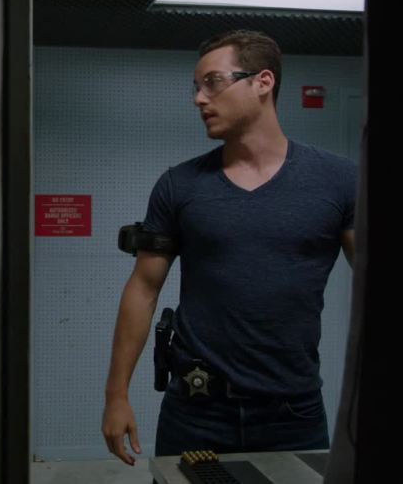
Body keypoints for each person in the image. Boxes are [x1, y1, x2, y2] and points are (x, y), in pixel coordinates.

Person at [101, 30, 357, 465]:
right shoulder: (179, 186)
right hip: (196, 410)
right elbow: (143, 289)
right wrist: (116, 394)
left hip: (292, 413)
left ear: (263, 82)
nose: (199, 98)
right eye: (196, 87)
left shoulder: (339, 180)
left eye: (213, 82)